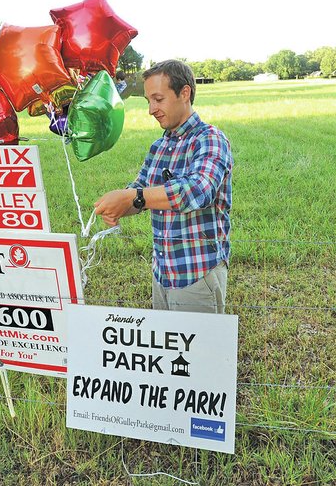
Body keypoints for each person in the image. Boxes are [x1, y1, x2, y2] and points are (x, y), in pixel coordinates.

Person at [94, 60, 233, 314]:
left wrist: (133, 197)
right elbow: (140, 189)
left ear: (184, 93)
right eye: (149, 100)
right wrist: (118, 206)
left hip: (197, 275)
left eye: (158, 99)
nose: (151, 109)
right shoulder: (159, 146)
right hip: (162, 272)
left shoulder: (210, 139)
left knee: (198, 352)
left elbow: (197, 191)